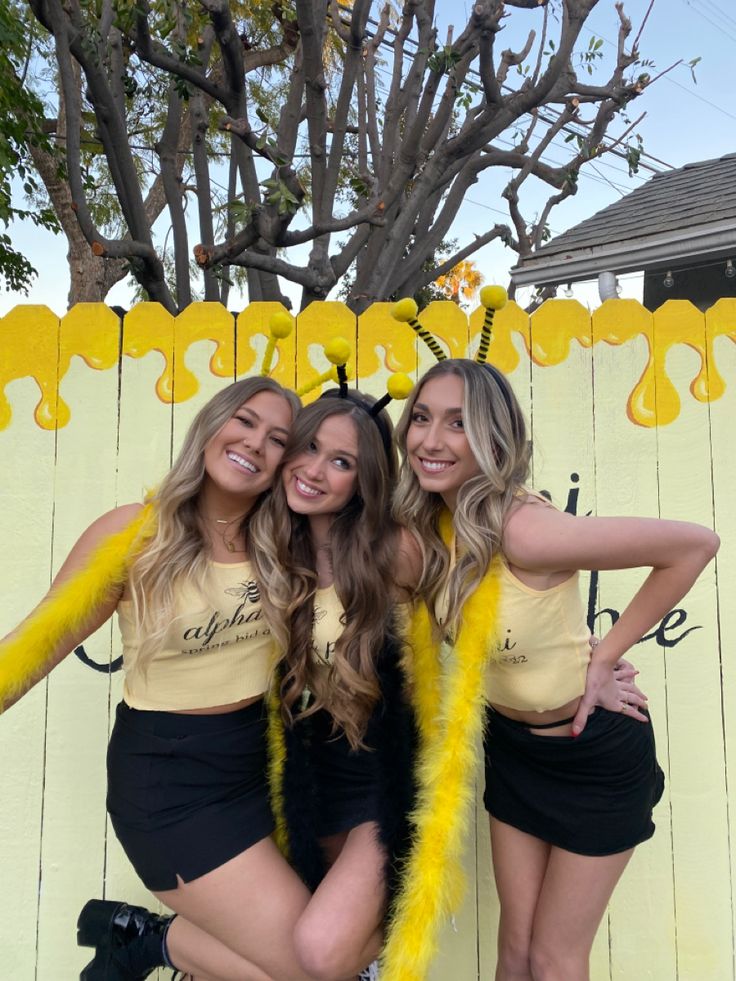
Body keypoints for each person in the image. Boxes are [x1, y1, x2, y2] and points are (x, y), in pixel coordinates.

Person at [387, 358, 719, 981]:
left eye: (458, 423)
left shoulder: (526, 532)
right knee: (514, 948)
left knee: (555, 958)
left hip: (591, 752)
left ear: (492, 436)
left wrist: (605, 657)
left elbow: (692, 545)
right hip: (516, 750)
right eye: (423, 419)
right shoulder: (430, 533)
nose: (431, 441)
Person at [0, 376, 325, 981]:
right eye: (245, 422)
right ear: (211, 424)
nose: (256, 444)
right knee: (311, 967)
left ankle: (149, 942)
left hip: (256, 772)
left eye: (278, 438)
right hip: (169, 787)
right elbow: (33, 646)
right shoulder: (134, 534)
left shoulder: (286, 541)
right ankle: (150, 941)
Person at [250, 390, 420, 981]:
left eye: (341, 462)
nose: (315, 471)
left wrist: (591, 665)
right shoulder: (268, 548)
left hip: (381, 784)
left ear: (364, 480)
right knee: (302, 949)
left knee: (323, 950)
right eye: (309, 447)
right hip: (308, 781)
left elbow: (484, 619)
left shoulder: (393, 552)